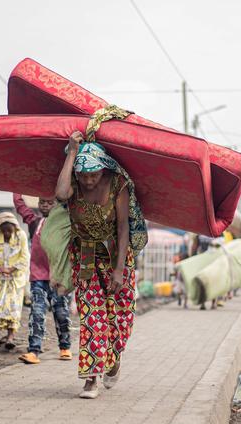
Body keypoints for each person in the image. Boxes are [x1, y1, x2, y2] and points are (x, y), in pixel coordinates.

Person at [56, 131, 147, 399]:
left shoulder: (117, 184)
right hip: (84, 257)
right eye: (83, 176)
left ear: (103, 169)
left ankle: (114, 358)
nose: (88, 180)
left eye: (93, 175)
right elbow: (60, 194)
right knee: (92, 316)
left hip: (116, 255)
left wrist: (119, 271)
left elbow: (122, 229)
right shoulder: (73, 184)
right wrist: (72, 152)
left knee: (120, 321)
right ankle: (91, 379)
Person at [13, 193, 72, 365]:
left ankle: (65, 347)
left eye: (49, 202)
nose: (45, 205)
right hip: (38, 276)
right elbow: (20, 205)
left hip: (59, 276)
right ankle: (33, 351)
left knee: (61, 313)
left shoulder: (65, 223)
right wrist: (16, 188)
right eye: (42, 202)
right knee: (37, 312)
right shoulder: (34, 222)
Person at [0, 212, 30, 349]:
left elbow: (24, 257)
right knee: (1, 307)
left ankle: (11, 337)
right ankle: (7, 334)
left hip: (15, 280)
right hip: (1, 279)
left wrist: (11, 269)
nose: (6, 233)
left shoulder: (21, 236)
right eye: (3, 230)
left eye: (9, 230)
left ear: (14, 228)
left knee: (13, 307)